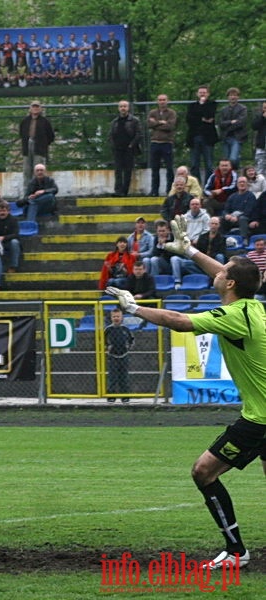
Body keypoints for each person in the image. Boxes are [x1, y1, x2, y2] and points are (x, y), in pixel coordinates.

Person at [106, 214, 266, 570]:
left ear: (231, 284)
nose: (216, 273)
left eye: (222, 272)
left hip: (260, 419)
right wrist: (192, 250)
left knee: (203, 472)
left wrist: (134, 308)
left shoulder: (235, 314)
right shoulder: (253, 303)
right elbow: (229, 273)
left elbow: (180, 322)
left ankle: (236, 552)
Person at [19, 100, 55, 192]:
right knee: (27, 170)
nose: (35, 108)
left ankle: (39, 190)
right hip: (27, 147)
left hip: (39, 148)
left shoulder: (45, 121)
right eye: (33, 107)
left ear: (40, 109)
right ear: (30, 109)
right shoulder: (25, 121)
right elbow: (21, 133)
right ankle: (27, 192)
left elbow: (51, 136)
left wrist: (43, 144)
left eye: (37, 107)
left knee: (39, 169)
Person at [109, 100, 142, 197]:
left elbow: (139, 134)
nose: (123, 108)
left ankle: (124, 191)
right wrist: (113, 145)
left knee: (128, 170)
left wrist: (132, 145)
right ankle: (117, 191)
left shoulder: (134, 120)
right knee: (118, 170)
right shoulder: (114, 121)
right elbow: (110, 135)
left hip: (129, 149)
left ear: (128, 108)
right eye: (121, 106)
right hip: (117, 149)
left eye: (125, 106)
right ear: (118, 108)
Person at [186, 85, 218, 184]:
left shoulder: (212, 104)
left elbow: (209, 115)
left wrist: (202, 106)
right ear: (197, 94)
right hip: (194, 137)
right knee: (194, 164)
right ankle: (197, 186)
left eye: (204, 92)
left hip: (208, 138)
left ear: (208, 94)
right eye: (200, 92)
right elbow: (189, 119)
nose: (202, 94)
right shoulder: (192, 105)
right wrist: (202, 119)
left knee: (209, 164)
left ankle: (208, 186)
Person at [147, 94, 178, 197]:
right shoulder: (152, 112)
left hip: (167, 143)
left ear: (167, 101)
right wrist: (161, 122)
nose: (162, 102)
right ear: (157, 101)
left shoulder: (172, 113)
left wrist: (156, 123)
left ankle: (169, 190)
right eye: (160, 100)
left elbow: (170, 126)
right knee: (155, 168)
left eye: (164, 100)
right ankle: (154, 191)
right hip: (155, 142)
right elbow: (149, 124)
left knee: (169, 168)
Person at [103, 306, 134, 404]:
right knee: (112, 377)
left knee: (124, 377)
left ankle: (125, 397)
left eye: (118, 316)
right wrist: (107, 348)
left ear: (122, 317)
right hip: (112, 356)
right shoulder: (108, 330)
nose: (116, 318)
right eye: (114, 317)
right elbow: (103, 341)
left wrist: (127, 348)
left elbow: (131, 340)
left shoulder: (126, 329)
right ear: (111, 318)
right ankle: (111, 397)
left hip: (124, 355)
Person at [219, 88, 247, 171]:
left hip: (237, 137)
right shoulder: (224, 109)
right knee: (226, 160)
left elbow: (240, 123)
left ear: (238, 97)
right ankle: (231, 176)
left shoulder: (243, 108)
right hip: (225, 137)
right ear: (228, 97)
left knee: (233, 159)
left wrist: (227, 125)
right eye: (231, 95)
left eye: (235, 95)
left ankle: (235, 172)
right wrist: (231, 122)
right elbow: (220, 123)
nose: (233, 97)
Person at [0, 202, 20, 273]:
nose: (2, 213)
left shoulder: (14, 220)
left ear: (8, 211)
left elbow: (16, 234)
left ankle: (13, 266)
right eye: (0, 211)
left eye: (4, 211)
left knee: (15, 242)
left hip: (9, 242)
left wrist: (4, 238)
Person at [253, 101, 266, 176]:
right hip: (261, 147)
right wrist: (262, 118)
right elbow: (254, 126)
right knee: (260, 170)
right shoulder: (259, 116)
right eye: (264, 108)